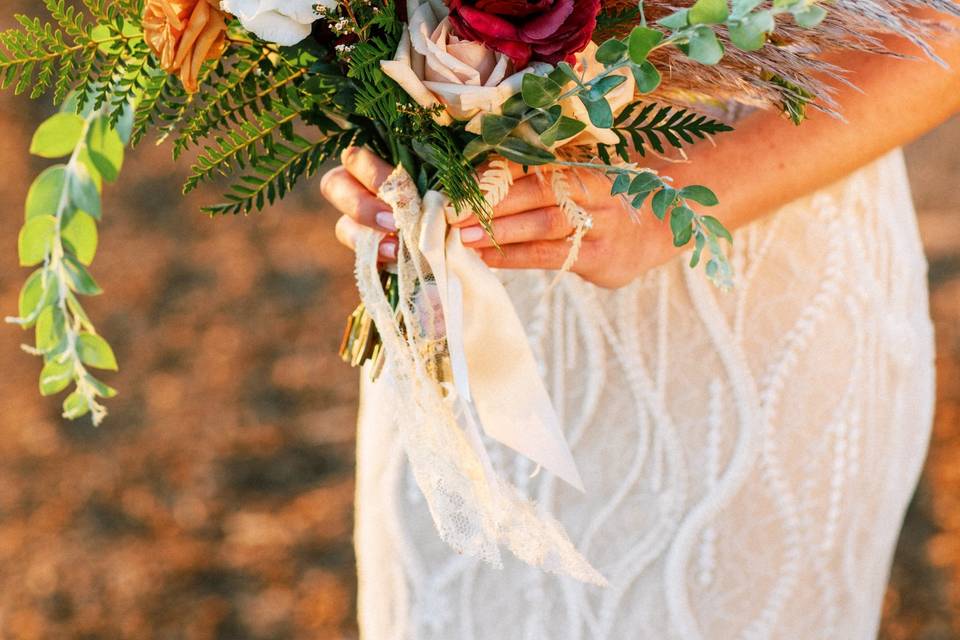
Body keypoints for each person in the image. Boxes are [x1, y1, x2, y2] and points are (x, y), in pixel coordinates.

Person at [320, 10, 960, 639]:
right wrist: (379, 143)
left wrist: (670, 203)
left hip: (752, 294)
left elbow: (944, 23)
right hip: (468, 307)